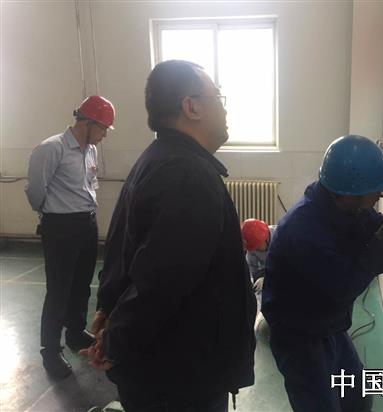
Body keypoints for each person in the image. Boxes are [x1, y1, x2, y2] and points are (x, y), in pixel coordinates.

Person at [80, 60, 256, 412]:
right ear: (191, 107)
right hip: (179, 377)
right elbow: (161, 281)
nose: (224, 109)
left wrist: (107, 309)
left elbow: (124, 250)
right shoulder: (188, 175)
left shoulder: (158, 159)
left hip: (162, 371)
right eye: (218, 97)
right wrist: (115, 340)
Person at [261, 135, 383, 412]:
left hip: (328, 326)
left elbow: (369, 227)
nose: (381, 194)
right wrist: (381, 241)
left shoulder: (341, 206)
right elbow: (344, 287)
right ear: (351, 192)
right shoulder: (303, 231)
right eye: (376, 190)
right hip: (300, 337)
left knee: (357, 399)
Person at [24, 95, 115, 379]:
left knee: (81, 285)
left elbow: (91, 183)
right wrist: (53, 215)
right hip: (60, 227)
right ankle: (50, 350)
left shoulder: (91, 150)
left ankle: (75, 332)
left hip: (87, 223)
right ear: (87, 123)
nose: (103, 136)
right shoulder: (52, 149)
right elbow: (35, 191)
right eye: (102, 129)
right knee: (58, 290)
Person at [241, 218, 277, 294]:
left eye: (257, 247)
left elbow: (288, 267)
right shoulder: (252, 248)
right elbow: (251, 269)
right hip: (267, 270)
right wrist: (251, 281)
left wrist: (267, 279)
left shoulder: (281, 237)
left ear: (265, 238)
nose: (255, 250)